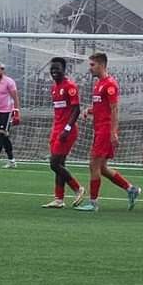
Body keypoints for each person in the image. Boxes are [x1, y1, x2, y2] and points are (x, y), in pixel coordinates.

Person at [75, 53, 140, 212]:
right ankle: (130, 188)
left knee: (93, 164)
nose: (90, 68)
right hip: (99, 129)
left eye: (92, 65)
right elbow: (101, 107)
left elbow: (114, 109)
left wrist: (113, 132)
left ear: (101, 65)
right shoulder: (99, 84)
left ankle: (93, 202)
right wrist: (89, 110)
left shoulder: (110, 84)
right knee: (102, 167)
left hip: (105, 130)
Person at [42, 57, 85, 208]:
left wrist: (67, 129)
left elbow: (76, 109)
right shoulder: (54, 88)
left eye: (57, 69)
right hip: (57, 129)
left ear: (64, 69)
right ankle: (59, 199)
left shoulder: (70, 86)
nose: (54, 71)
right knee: (60, 164)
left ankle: (77, 188)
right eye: (52, 69)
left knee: (54, 163)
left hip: (67, 131)